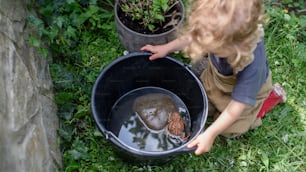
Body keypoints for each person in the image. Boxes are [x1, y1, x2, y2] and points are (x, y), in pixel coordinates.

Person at [140, 0, 286, 155]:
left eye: (213, 49)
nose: (205, 47)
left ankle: (270, 99)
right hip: (218, 79)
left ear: (236, 47)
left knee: (229, 128)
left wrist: (210, 133)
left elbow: (234, 108)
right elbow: (192, 37)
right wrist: (165, 49)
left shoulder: (251, 65)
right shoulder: (217, 31)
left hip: (243, 96)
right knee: (200, 107)